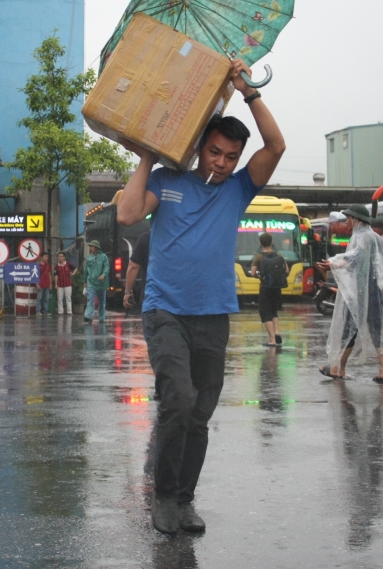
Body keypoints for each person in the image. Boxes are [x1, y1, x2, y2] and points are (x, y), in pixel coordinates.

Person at [116, 58, 284, 535]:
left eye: (230, 156)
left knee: (200, 413)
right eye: (215, 152)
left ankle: (184, 499)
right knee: (179, 400)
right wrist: (148, 156)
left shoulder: (238, 191)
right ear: (199, 148)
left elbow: (277, 145)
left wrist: (247, 90)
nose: (222, 163)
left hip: (214, 316)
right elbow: (127, 215)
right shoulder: (168, 182)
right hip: (165, 310)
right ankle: (163, 497)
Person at [318, 204, 383, 382]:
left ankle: (336, 368)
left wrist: (335, 262)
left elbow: (356, 258)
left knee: (349, 329)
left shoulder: (359, 237)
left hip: (360, 292)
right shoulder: (377, 238)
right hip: (378, 290)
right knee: (378, 329)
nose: (346, 221)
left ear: (356, 219)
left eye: (348, 218)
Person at [250, 232, 288, 346]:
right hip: (277, 288)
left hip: (265, 287)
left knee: (265, 312)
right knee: (274, 311)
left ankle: (272, 340)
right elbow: (286, 271)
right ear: (272, 242)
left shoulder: (259, 256)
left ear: (260, 243)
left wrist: (260, 276)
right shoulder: (279, 255)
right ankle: (277, 332)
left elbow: (252, 273)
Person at [123, 230, 151, 313]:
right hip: (179, 301)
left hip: (153, 300)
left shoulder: (146, 238)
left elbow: (133, 267)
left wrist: (128, 292)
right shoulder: (179, 237)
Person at [84, 240, 109, 323]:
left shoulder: (104, 257)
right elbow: (86, 271)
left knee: (101, 302)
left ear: (96, 247)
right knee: (90, 299)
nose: (90, 248)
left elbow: (106, 267)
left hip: (101, 283)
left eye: (92, 246)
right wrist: (85, 281)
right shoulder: (89, 258)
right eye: (90, 246)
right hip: (91, 282)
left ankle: (101, 317)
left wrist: (103, 275)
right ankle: (88, 316)